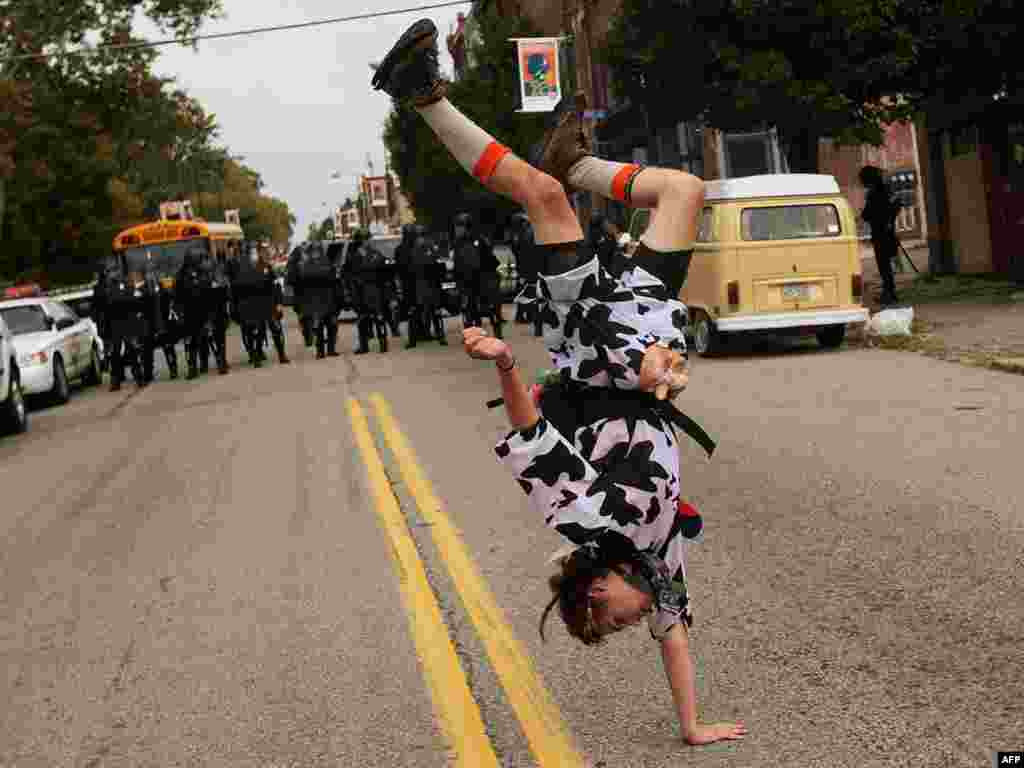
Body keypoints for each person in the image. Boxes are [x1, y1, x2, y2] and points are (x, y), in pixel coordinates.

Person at [373, 18, 744, 747]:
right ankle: (576, 163)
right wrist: (692, 727)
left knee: (541, 199)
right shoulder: (659, 559)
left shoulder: (584, 519)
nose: (632, 622)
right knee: (683, 190)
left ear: (599, 587)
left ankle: (418, 95)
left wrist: (509, 364)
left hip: (593, 347)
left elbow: (530, 434)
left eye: (611, 618)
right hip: (645, 341)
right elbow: (675, 635)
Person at [453, 211, 504, 339]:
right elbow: (458, 264)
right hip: (467, 282)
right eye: (456, 226)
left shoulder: (480, 241)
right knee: (468, 310)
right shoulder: (458, 243)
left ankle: (497, 333)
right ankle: (473, 336)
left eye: (459, 226)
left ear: (467, 226)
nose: (457, 229)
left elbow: (492, 261)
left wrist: (487, 275)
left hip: (483, 280)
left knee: (491, 308)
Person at [859, 165, 901, 305]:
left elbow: (867, 214)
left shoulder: (874, 193)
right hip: (888, 231)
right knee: (886, 264)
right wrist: (890, 219)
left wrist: (865, 215)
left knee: (884, 265)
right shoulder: (886, 189)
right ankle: (890, 292)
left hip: (880, 233)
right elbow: (897, 204)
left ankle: (889, 293)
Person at [406, 224, 448, 348]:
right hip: (421, 284)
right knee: (418, 312)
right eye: (419, 236)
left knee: (434, 311)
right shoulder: (414, 248)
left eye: (422, 235)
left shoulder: (427, 247)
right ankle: (416, 338)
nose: (420, 239)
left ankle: (439, 336)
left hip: (428, 283)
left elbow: (436, 264)